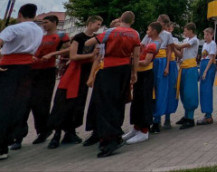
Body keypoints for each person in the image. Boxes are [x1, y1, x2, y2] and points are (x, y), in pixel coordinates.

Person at [84, 11, 140, 158]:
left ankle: (110, 139)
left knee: (105, 104)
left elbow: (88, 43)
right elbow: (136, 55)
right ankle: (116, 132)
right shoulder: (135, 34)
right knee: (119, 102)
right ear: (132, 21)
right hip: (125, 69)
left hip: (109, 68)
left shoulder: (111, 32)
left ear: (120, 19)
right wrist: (134, 73)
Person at [12, 14, 70, 150]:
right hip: (31, 70)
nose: (44, 24)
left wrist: (53, 54)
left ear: (54, 23)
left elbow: (69, 50)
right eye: (43, 22)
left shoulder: (61, 36)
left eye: (46, 22)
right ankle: (18, 137)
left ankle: (44, 130)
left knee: (41, 104)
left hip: (47, 72)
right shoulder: (39, 36)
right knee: (24, 104)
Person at [47, 15, 103, 149]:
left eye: (100, 24)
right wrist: (90, 56)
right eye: (97, 24)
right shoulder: (79, 37)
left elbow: (96, 58)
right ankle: (57, 134)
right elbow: (73, 56)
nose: (98, 26)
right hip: (74, 72)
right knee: (63, 101)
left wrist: (91, 76)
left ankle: (70, 132)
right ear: (89, 23)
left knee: (78, 102)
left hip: (84, 72)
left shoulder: (95, 39)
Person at [0, 3, 43, 160]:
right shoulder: (39, 30)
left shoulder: (14, 28)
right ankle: (8, 141)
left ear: (19, 14)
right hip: (26, 69)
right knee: (17, 106)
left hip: (9, 68)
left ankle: (1, 145)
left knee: (3, 106)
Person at [124, 22, 161, 144]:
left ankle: (144, 131)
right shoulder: (149, 41)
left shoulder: (155, 44)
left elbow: (146, 62)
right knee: (137, 101)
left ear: (154, 31)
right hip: (140, 74)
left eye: (149, 29)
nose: (147, 31)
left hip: (146, 74)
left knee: (144, 101)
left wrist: (133, 62)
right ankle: (136, 127)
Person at [148, 14, 175, 133]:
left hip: (162, 61)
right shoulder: (151, 33)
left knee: (162, 90)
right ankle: (152, 117)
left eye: (160, 21)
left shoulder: (167, 35)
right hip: (151, 60)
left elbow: (170, 51)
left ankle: (158, 119)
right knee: (152, 90)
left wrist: (167, 66)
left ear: (164, 24)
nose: (157, 22)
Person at [173, 23, 200, 130]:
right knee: (184, 92)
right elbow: (180, 54)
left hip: (191, 69)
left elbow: (179, 46)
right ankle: (186, 115)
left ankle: (191, 118)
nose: (184, 33)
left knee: (190, 93)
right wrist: (172, 47)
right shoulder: (186, 40)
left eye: (185, 31)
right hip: (184, 68)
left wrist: (170, 42)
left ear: (191, 31)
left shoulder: (194, 40)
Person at [197, 27, 217, 125]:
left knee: (207, 90)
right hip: (203, 65)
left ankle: (209, 115)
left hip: (208, 68)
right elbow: (203, 57)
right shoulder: (205, 44)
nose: (206, 36)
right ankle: (206, 113)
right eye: (204, 34)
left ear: (212, 35)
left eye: (207, 34)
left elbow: (211, 58)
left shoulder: (212, 44)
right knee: (203, 91)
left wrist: (205, 71)